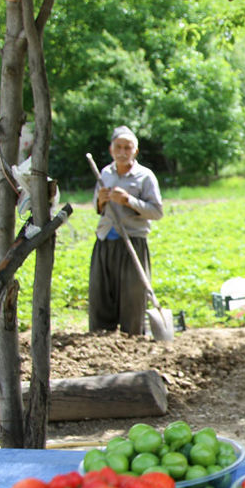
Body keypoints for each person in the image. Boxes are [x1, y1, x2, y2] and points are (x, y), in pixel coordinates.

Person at [88, 126, 163, 335]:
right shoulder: (105, 173)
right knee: (101, 294)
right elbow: (98, 208)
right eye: (118, 147)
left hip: (132, 240)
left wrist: (128, 201)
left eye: (127, 148)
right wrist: (101, 202)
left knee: (132, 296)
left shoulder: (145, 177)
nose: (122, 152)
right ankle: (101, 338)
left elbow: (157, 212)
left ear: (135, 151)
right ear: (111, 150)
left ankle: (131, 338)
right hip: (105, 240)